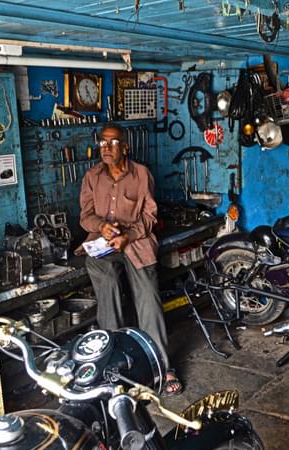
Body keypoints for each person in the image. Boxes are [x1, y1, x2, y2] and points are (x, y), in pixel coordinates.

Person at [79, 123, 183, 396]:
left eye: (113, 143)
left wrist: (128, 235)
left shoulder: (141, 175)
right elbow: (85, 216)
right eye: (103, 143)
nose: (107, 148)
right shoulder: (92, 176)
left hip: (135, 242)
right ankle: (113, 367)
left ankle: (163, 367)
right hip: (103, 246)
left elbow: (149, 216)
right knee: (109, 289)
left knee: (148, 298)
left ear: (125, 147)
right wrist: (101, 226)